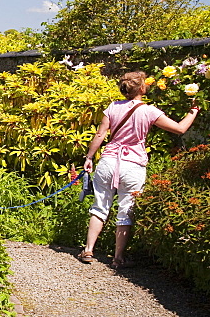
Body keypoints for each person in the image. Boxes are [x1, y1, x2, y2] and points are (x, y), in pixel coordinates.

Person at [77, 71, 199, 269]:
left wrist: (89, 157)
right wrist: (193, 111)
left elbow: (100, 135)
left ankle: (89, 249)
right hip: (132, 165)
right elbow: (179, 128)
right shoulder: (149, 111)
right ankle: (118, 258)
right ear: (142, 88)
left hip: (108, 161)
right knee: (125, 210)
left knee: (100, 206)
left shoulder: (112, 107)